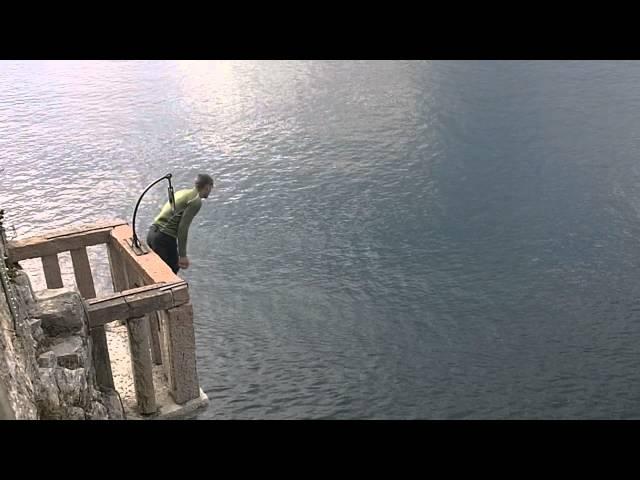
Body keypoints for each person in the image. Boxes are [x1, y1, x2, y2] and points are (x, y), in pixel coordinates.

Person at [146, 173, 213, 273]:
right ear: (207, 187)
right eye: (211, 188)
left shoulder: (183, 192)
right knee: (169, 274)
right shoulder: (195, 201)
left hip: (152, 233)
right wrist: (183, 255)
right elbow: (183, 227)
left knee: (163, 271)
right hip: (163, 238)